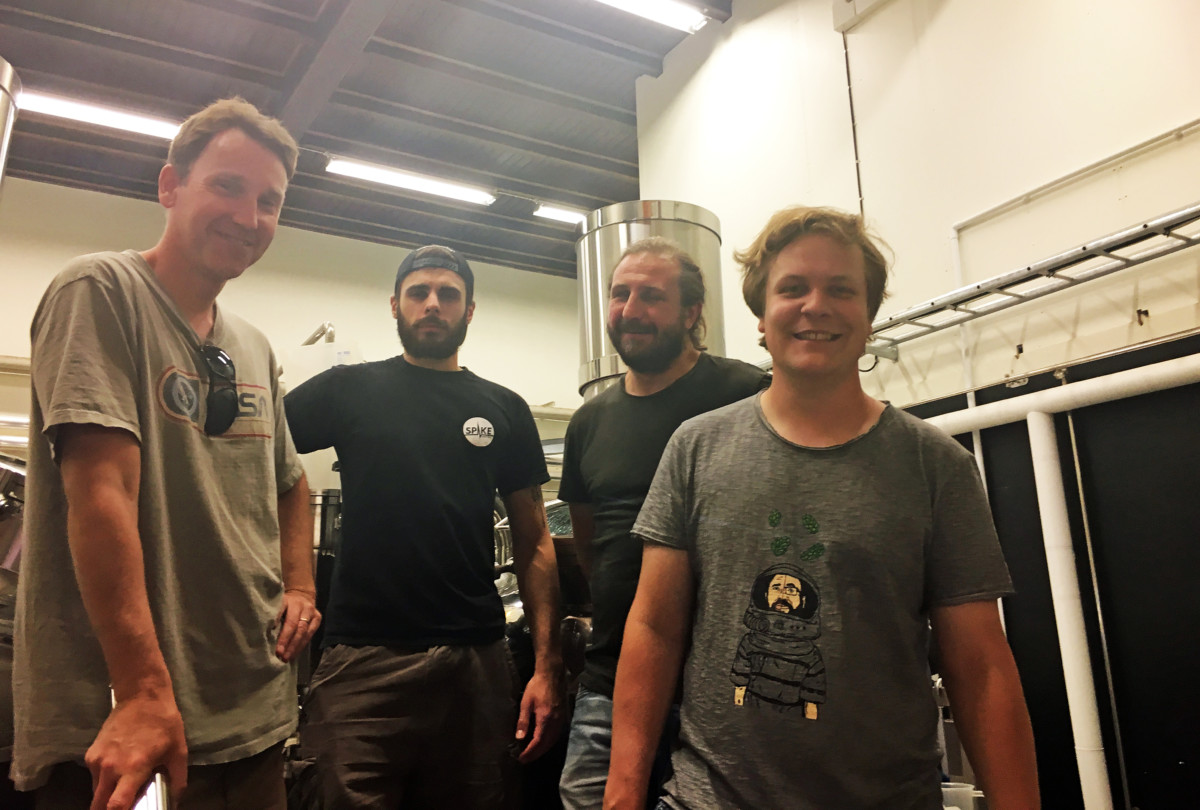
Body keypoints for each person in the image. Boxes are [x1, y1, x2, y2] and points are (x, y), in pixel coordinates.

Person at [605, 207, 1040, 810]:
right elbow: (654, 627)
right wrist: (622, 792)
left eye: (841, 289)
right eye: (792, 288)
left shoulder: (936, 465)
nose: (816, 306)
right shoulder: (695, 448)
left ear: (868, 316)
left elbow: (981, 664)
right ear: (761, 317)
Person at [13, 97, 320, 810]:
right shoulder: (101, 291)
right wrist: (143, 692)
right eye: (227, 186)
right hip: (128, 722)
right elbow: (103, 493)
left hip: (255, 709)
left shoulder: (253, 345)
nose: (248, 216)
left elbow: (291, 483)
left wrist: (301, 587)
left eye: (269, 201)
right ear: (170, 186)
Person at [284, 244, 565, 808]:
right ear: (395, 305)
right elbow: (255, 457)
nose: (433, 304)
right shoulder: (346, 388)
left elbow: (535, 541)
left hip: (476, 662)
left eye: (448, 294)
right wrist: (297, 582)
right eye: (418, 292)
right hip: (362, 657)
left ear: (469, 310)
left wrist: (546, 665)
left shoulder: (504, 408)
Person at [557, 237, 768, 809]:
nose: (630, 310)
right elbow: (590, 545)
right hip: (610, 678)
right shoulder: (589, 422)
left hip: (721, 685)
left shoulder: (745, 393)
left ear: (692, 311)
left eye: (651, 296)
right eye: (620, 294)